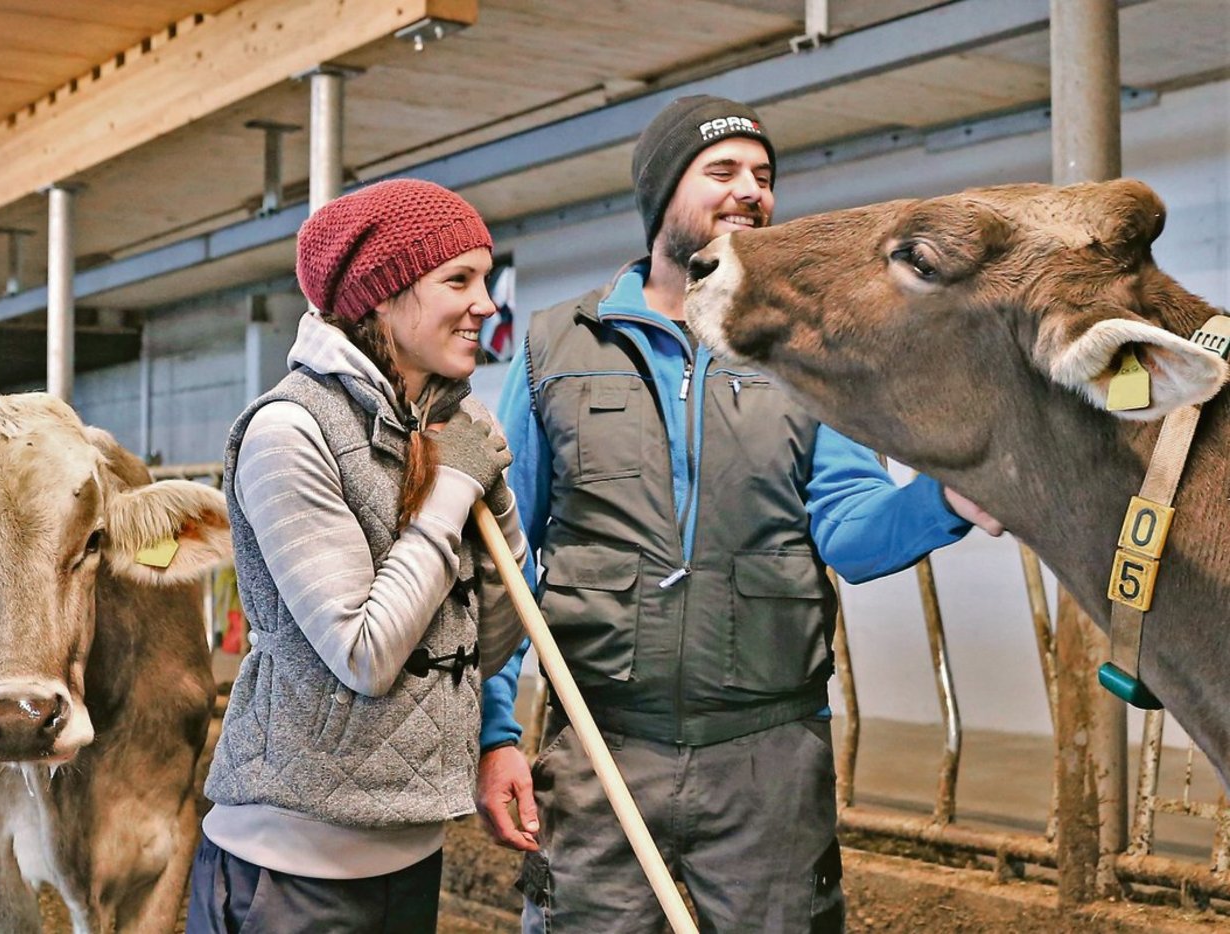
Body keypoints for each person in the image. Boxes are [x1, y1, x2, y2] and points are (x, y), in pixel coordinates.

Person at [475, 95, 1003, 933]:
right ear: (661, 196)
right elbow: (505, 563)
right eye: (721, 171)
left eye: (763, 175)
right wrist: (495, 731)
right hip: (603, 748)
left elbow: (851, 530)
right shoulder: (557, 346)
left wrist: (944, 500)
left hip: (769, 758)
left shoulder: (809, 348)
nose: (750, 190)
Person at [189, 178, 527, 934]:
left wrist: (493, 497)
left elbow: (490, 645)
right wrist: (452, 490)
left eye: (486, 278)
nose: (487, 303)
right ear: (382, 297)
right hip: (291, 868)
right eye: (459, 281)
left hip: (410, 848)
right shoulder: (289, 432)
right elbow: (365, 655)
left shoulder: (437, 425)